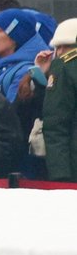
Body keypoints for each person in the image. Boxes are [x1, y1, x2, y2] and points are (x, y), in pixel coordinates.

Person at [42, 19, 77, 182]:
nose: (60, 52)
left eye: (66, 46)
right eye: (57, 48)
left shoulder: (63, 68)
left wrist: (60, 174)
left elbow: (55, 124)